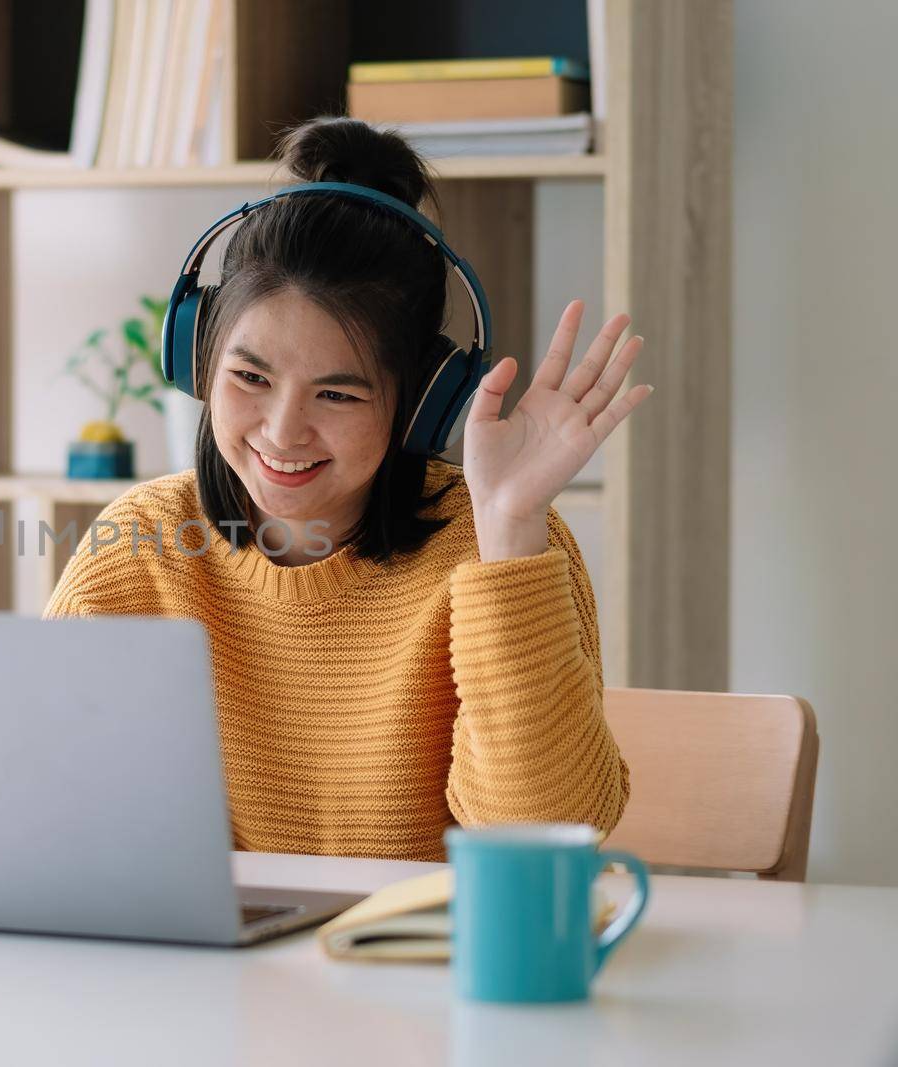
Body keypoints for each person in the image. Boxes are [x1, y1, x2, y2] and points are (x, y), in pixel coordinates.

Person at [42, 116, 652, 861]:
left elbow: (545, 839)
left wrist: (511, 527)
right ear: (197, 360)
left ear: (421, 404)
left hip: (422, 967)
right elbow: (47, 809)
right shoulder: (139, 548)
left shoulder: (500, 546)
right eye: (251, 378)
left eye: (338, 395)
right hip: (204, 970)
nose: (283, 430)